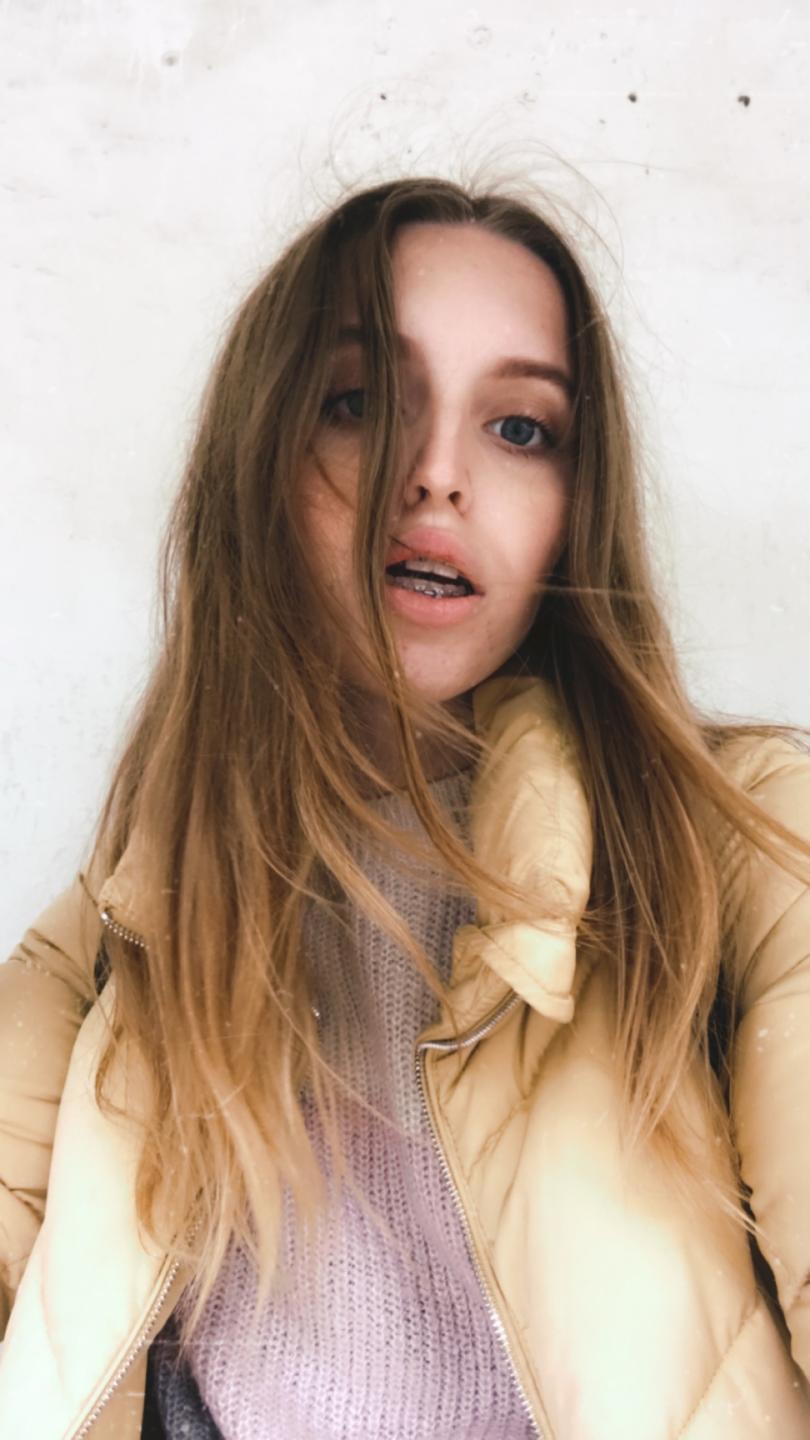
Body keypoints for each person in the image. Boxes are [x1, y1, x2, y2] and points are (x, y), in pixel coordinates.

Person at [1, 175, 809, 1440]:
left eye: (521, 428)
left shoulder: (740, 837)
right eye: (362, 403)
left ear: (575, 510)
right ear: (263, 456)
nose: (435, 476)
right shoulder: (142, 888)